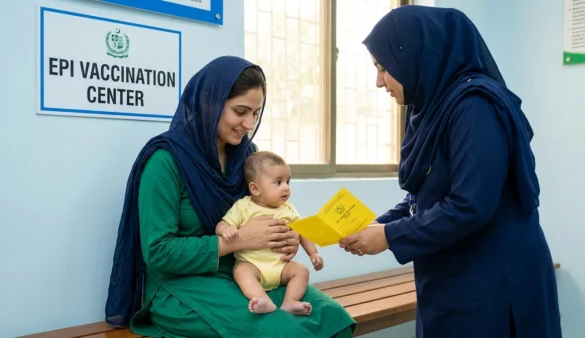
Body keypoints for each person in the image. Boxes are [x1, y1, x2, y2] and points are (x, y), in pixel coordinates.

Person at [338, 5, 562, 338]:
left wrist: (388, 237)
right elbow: (426, 194)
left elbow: (470, 204)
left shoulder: (475, 106)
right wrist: (380, 223)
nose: (378, 82)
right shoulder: (432, 107)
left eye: (384, 68)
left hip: (494, 285)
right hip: (453, 280)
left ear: (414, 54)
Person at [104, 56, 356, 338]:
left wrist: (287, 239)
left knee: (334, 320)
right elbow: (158, 252)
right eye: (240, 111)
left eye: (256, 113)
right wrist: (240, 240)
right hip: (180, 287)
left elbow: (264, 211)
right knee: (282, 332)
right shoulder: (166, 161)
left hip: (248, 275)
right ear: (209, 104)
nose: (249, 123)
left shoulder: (246, 157)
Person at [216, 150, 324, 316]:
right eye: (278, 182)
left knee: (302, 271)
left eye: (288, 182)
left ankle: (290, 302)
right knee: (240, 272)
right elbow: (222, 224)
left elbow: (303, 231)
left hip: (281, 267)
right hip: (253, 266)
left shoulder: (288, 209)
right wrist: (226, 229)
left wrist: (313, 253)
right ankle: (262, 299)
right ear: (255, 188)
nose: (286, 188)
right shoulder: (243, 206)